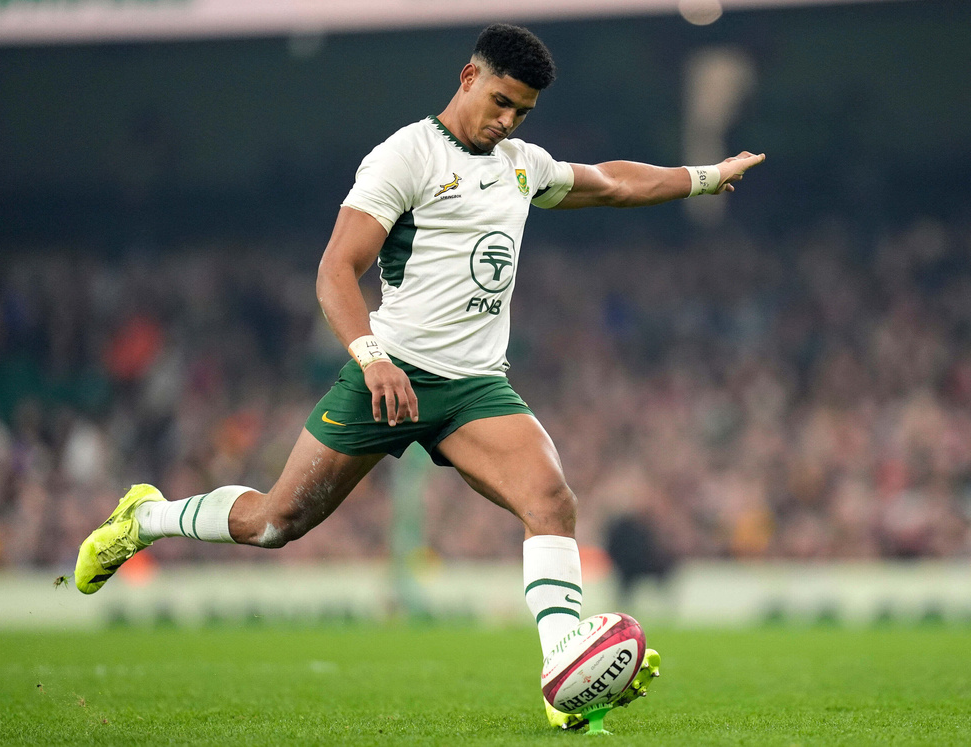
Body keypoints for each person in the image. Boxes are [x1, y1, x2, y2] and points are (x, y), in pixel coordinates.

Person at [75, 23, 764, 731]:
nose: (507, 121)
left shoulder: (521, 164)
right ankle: (145, 517)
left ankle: (563, 670)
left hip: (474, 388)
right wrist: (370, 356)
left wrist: (705, 177)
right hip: (391, 374)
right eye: (500, 101)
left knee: (551, 499)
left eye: (522, 112)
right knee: (275, 521)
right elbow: (336, 269)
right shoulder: (405, 156)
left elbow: (611, 182)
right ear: (468, 77)